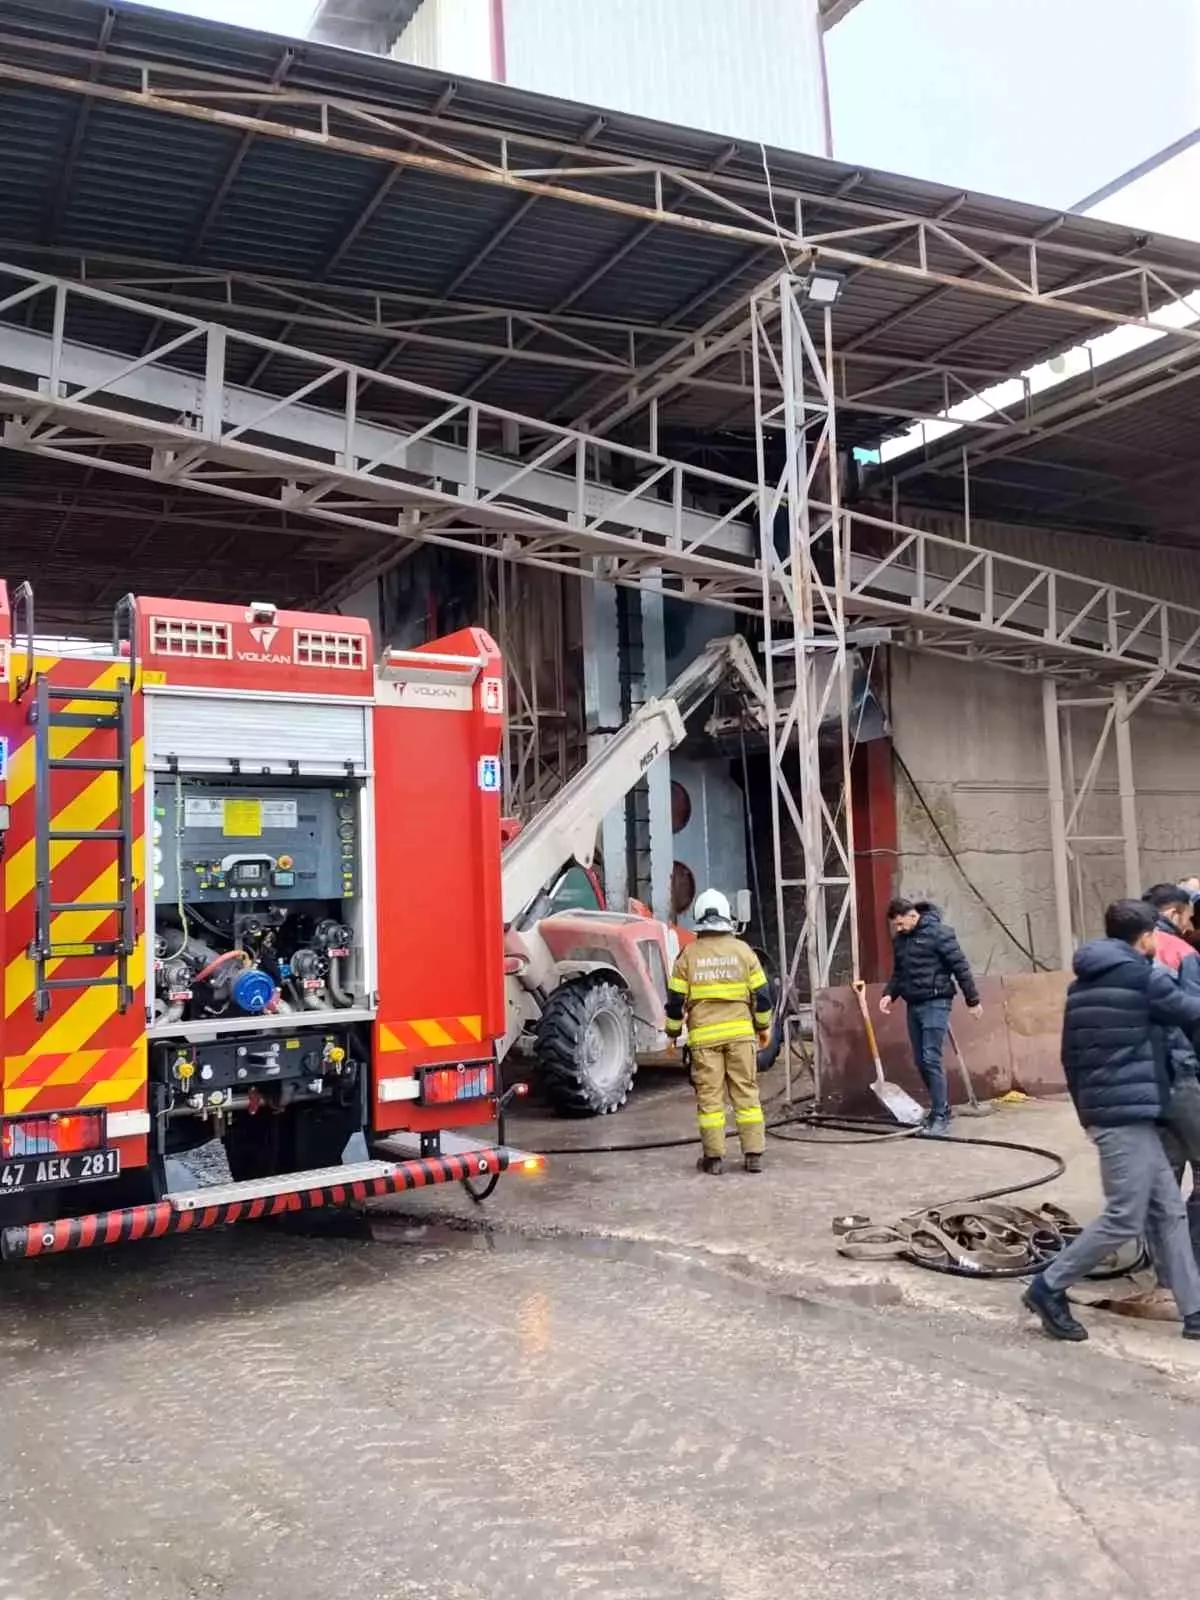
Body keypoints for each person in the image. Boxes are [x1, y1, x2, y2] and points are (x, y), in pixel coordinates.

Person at [1023, 898, 1200, 1343]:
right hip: (1127, 1116)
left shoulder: (1081, 986)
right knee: (1125, 1216)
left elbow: (1069, 1057)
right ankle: (1047, 1286)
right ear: (1145, 938)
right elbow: (1189, 1012)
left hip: (1116, 1112)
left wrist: (1090, 1113)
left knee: (1167, 1213)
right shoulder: (1140, 978)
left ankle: (1195, 1312)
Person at [665, 888, 773, 1176]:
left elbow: (675, 1001)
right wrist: (763, 1028)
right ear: (727, 918)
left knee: (710, 1100)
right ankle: (753, 1155)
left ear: (699, 918)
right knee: (746, 1093)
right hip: (741, 1037)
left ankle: (714, 1159)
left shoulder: (687, 955)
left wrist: (672, 1032)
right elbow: (762, 996)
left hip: (705, 1040)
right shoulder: (743, 951)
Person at [878, 898, 982, 1137]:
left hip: (937, 1002)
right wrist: (889, 995)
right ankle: (940, 1108)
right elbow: (899, 972)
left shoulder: (940, 934)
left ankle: (941, 1114)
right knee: (920, 1060)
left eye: (902, 924)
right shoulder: (901, 941)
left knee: (930, 1057)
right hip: (913, 1004)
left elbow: (960, 967)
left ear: (913, 916)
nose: (899, 929)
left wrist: (972, 1000)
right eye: (896, 926)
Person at [1143, 883, 1200, 1261]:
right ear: (1174, 913)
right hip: (1182, 1076)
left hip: (1144, 1082)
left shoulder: (1122, 949)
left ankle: (1164, 1263)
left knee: (1162, 1174)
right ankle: (1191, 1256)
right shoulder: (1183, 952)